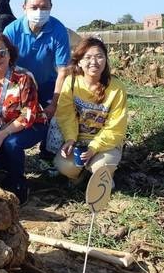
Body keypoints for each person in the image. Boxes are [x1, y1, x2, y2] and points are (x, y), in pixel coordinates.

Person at [0, 33, 48, 203]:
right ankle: (1, 171)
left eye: (1, 53)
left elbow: (27, 115)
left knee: (11, 143)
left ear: (10, 53)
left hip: (32, 125)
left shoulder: (23, 78)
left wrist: (0, 135)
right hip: (3, 126)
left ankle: (19, 182)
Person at [3, 0, 71, 159]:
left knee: (55, 115)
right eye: (34, 7)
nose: (39, 12)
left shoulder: (58, 30)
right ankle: (6, 150)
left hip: (47, 83)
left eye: (44, 7)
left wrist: (54, 104)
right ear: (24, 7)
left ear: (51, 7)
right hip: (18, 85)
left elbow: (63, 70)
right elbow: (3, 66)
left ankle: (48, 152)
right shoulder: (11, 31)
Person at [53, 37, 127, 185]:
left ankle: (104, 174)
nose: (93, 62)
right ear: (79, 61)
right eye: (87, 57)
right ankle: (80, 175)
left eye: (99, 56)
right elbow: (66, 115)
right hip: (79, 140)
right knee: (65, 167)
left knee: (100, 166)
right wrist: (70, 139)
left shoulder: (116, 88)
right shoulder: (72, 82)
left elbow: (116, 126)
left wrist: (94, 147)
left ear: (106, 60)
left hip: (105, 142)